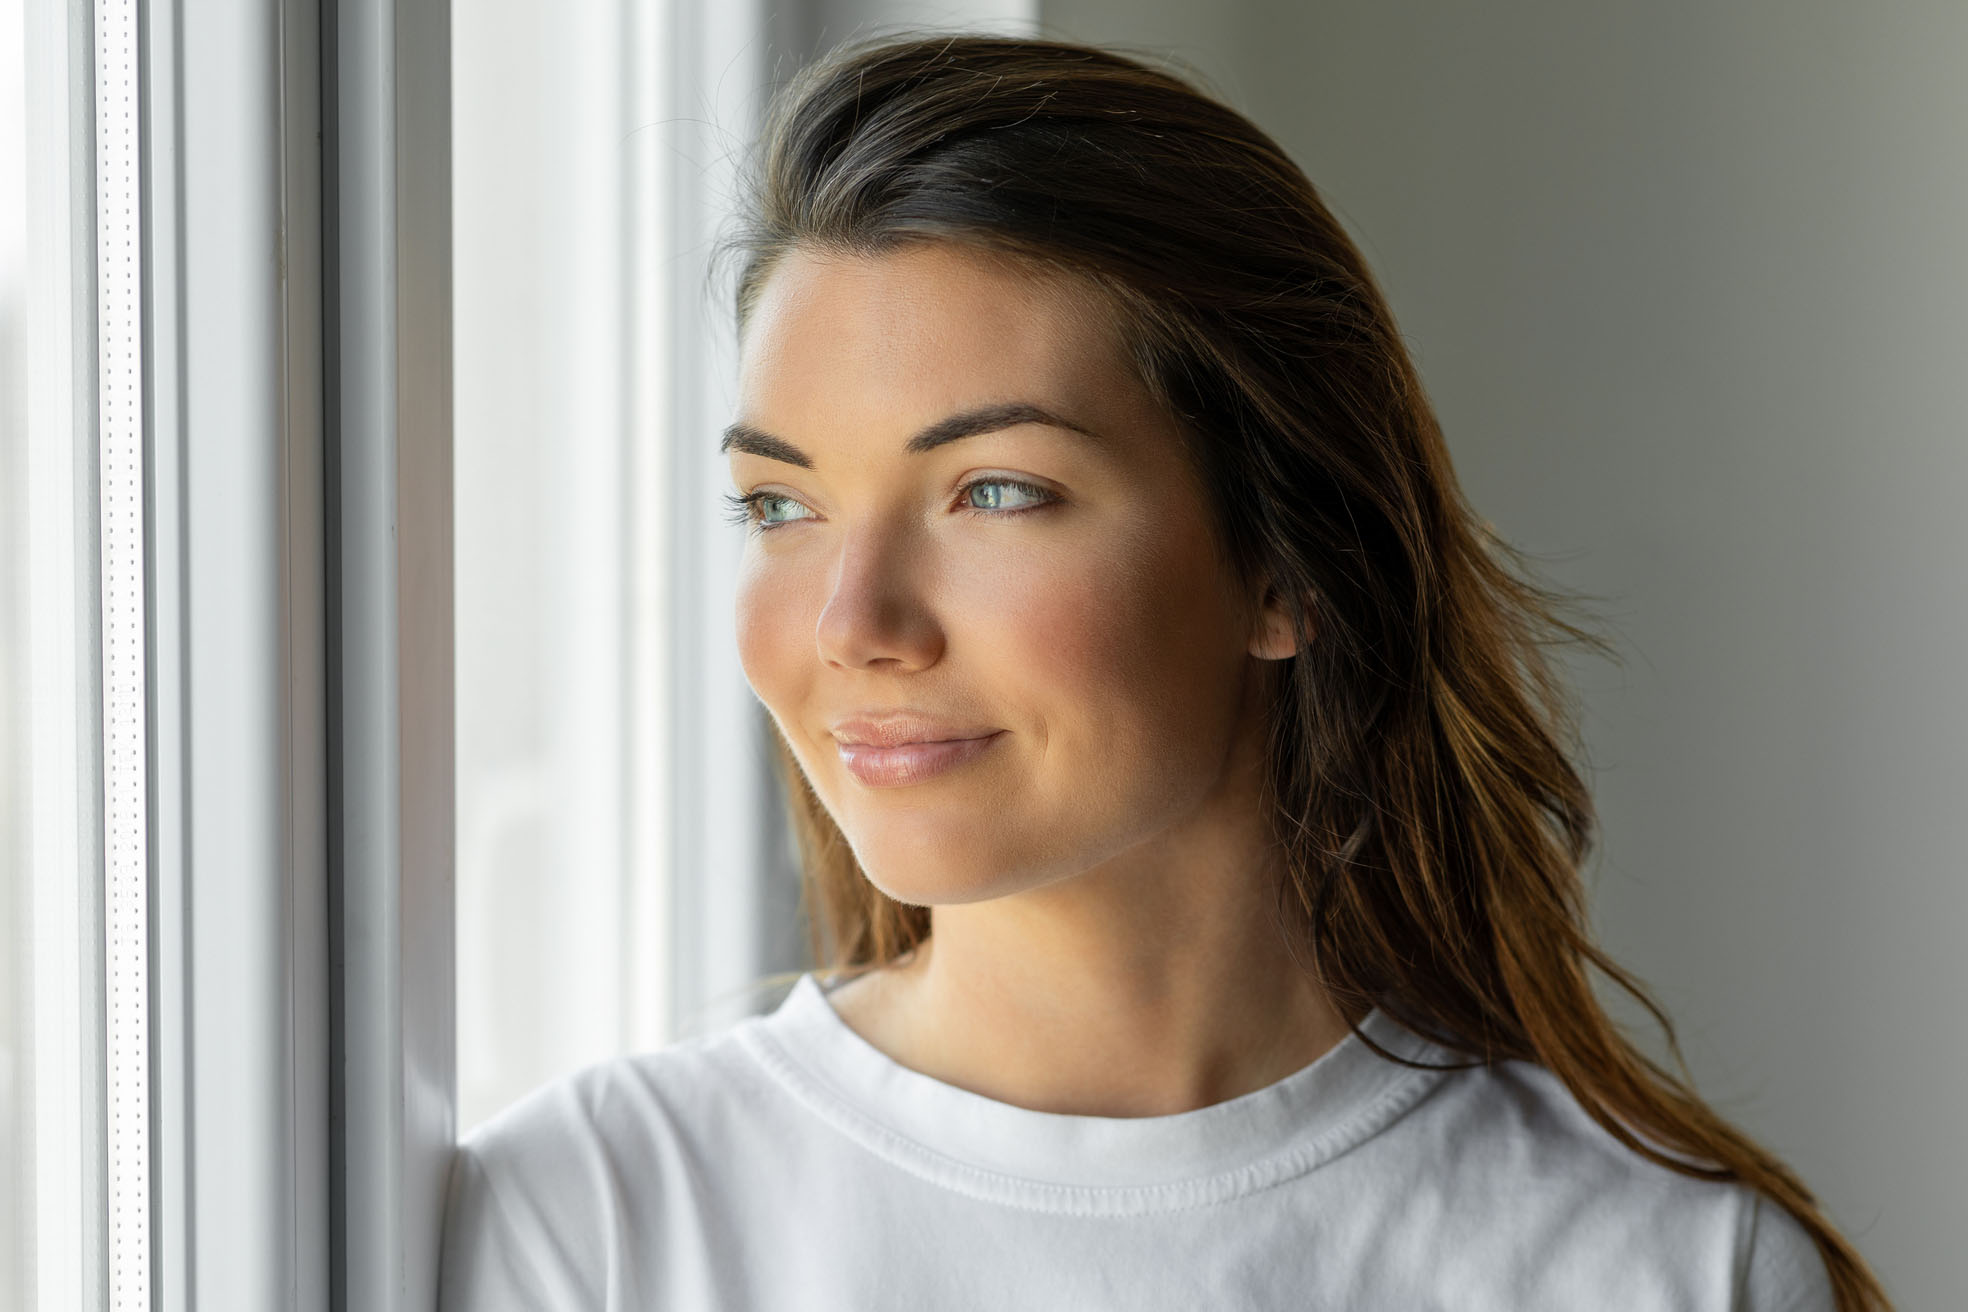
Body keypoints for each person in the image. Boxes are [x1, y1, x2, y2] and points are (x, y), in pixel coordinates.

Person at [438, 32, 1890, 1311]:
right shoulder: (583, 1234)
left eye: (994, 491)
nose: (853, 622)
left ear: (1284, 564)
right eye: (781, 505)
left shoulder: (1665, 1272)